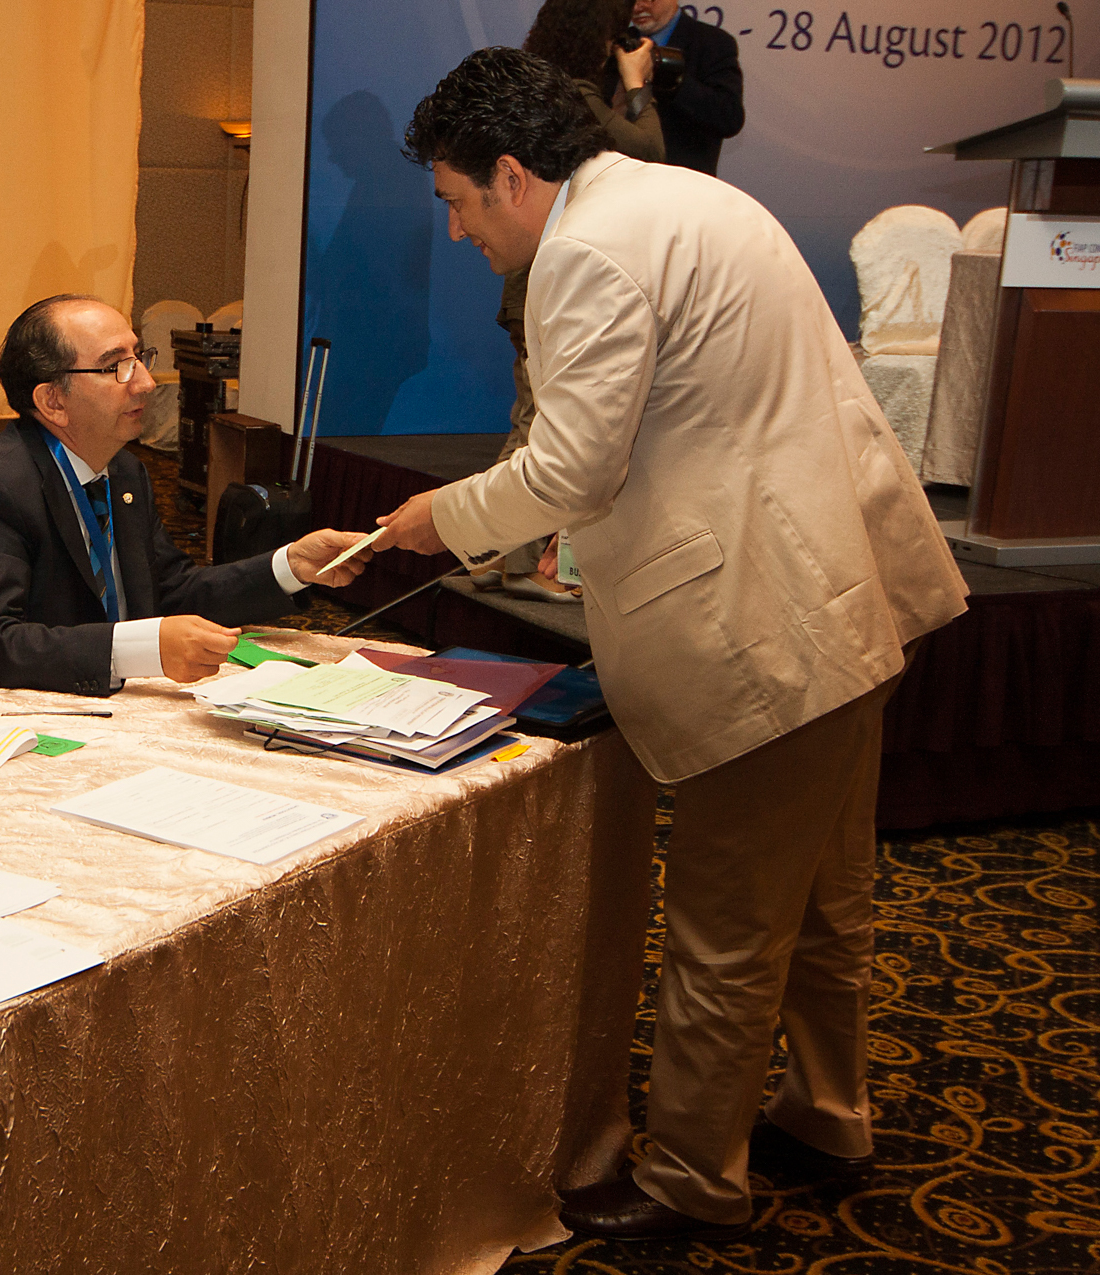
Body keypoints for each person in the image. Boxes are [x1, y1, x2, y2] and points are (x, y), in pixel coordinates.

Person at [379, 49, 966, 1239]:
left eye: (453, 200)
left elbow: (571, 469)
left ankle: (694, 1180)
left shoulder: (584, 251)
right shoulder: (683, 197)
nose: (455, 232)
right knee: (825, 899)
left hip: (761, 624)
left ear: (508, 175)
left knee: (724, 928)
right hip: (841, 589)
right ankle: (826, 1113)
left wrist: (439, 518)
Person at [0, 295, 376, 698]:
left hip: (104, 707)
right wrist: (142, 647)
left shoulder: (125, 472)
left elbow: (170, 591)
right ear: (53, 401)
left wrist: (290, 566)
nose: (146, 383)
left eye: (139, 357)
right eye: (116, 367)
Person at [480, 0, 668, 604]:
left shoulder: (529, 95)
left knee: (529, 416)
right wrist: (637, 86)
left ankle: (493, 553)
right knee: (540, 423)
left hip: (528, 285)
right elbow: (648, 154)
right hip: (549, 285)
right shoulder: (574, 98)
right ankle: (510, 560)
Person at [621, 0, 743, 175]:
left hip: (680, 180)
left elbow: (729, 117)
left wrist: (668, 75)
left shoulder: (713, 42)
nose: (637, 7)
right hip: (620, 177)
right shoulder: (616, 42)